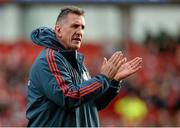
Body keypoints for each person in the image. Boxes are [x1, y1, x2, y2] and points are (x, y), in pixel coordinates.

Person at [26, 6, 142, 127]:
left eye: (82, 27)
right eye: (74, 26)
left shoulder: (76, 62)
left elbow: (92, 104)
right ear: (59, 31)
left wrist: (113, 82)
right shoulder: (50, 59)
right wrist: (103, 78)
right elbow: (69, 97)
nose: (80, 32)